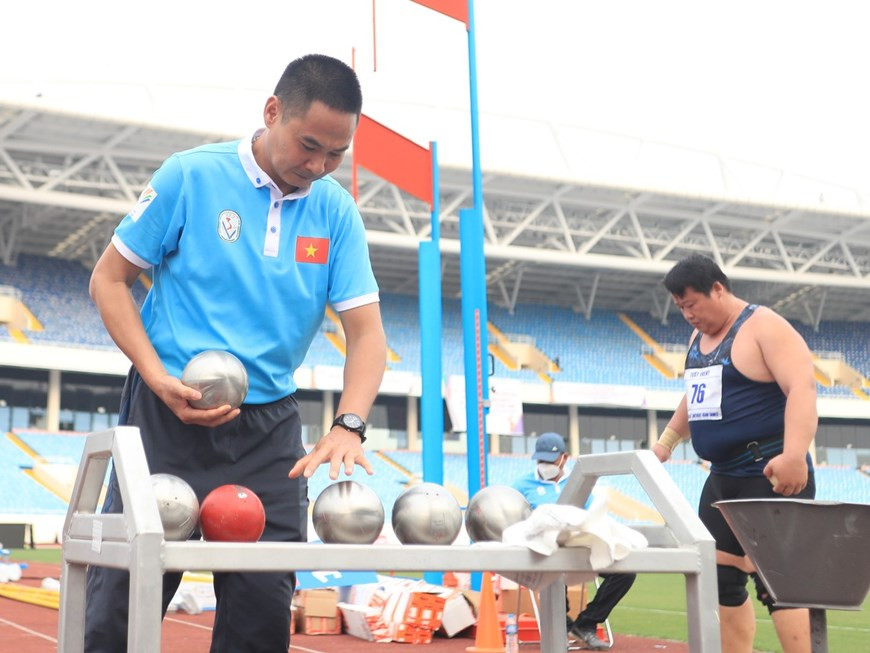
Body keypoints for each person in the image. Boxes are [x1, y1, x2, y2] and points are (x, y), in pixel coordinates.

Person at [86, 54, 387, 652]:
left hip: (268, 433)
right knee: (116, 613)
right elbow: (109, 280)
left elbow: (368, 334)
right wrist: (155, 375)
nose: (319, 166)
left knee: (259, 622)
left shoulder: (334, 211)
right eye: (308, 146)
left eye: (336, 154)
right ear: (272, 111)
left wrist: (349, 424)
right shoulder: (190, 176)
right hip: (165, 414)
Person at [653, 254, 816, 653]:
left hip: (769, 473)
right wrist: (666, 442)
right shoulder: (697, 339)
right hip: (721, 477)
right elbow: (695, 397)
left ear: (718, 289)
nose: (688, 315)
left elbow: (803, 388)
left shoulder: (764, 327)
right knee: (719, 578)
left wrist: (795, 455)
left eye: (692, 304)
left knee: (780, 581)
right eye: (681, 308)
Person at [512, 432, 636, 651]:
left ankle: (586, 623)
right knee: (553, 570)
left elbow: (592, 516)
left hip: (581, 548)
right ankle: (563, 626)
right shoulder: (521, 485)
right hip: (545, 552)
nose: (545, 465)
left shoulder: (581, 482)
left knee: (625, 573)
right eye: (541, 461)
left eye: (550, 461)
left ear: (564, 458)